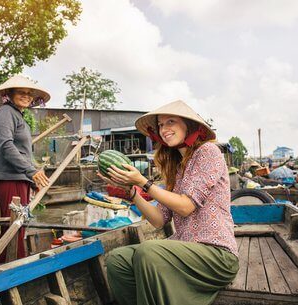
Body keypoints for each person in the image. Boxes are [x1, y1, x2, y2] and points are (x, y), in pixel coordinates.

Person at [100, 100, 239, 305]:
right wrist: (131, 191)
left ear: (189, 125)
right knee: (117, 260)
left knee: (149, 252)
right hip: (184, 251)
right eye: (161, 125)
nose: (164, 129)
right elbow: (158, 220)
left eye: (171, 122)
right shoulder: (176, 168)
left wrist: (143, 182)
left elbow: (185, 206)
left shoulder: (208, 152)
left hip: (217, 255)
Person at [0, 75, 50, 262]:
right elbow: (6, 145)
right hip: (9, 177)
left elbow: (24, 154)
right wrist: (32, 172)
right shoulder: (5, 112)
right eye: (21, 92)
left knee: (18, 225)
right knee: (13, 226)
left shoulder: (18, 115)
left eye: (29, 94)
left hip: (19, 176)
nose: (27, 96)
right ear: (9, 94)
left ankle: (6, 265)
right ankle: (11, 268)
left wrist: (34, 176)